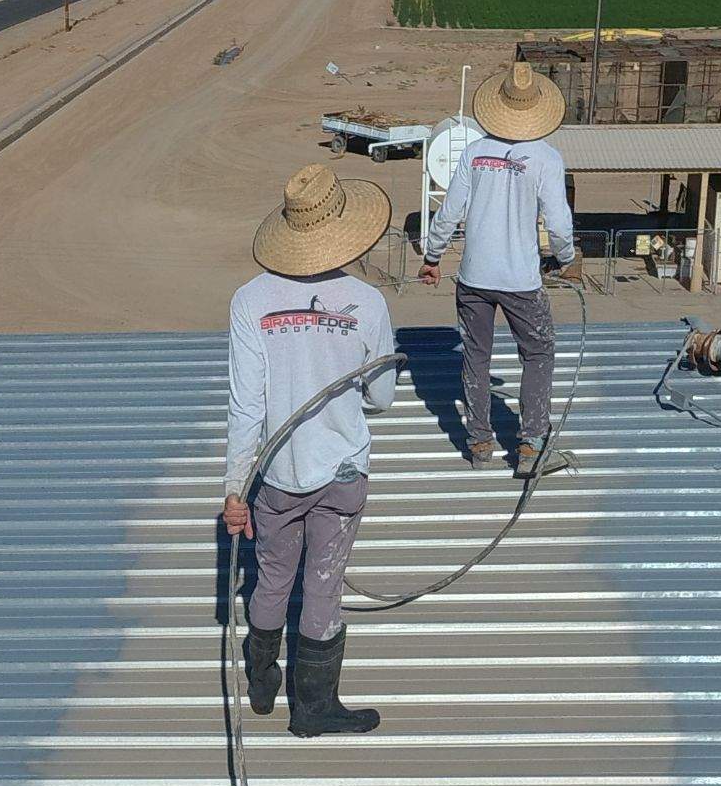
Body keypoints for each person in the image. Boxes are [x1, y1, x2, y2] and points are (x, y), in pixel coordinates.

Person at [223, 164, 397, 737]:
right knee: (322, 585)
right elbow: (382, 396)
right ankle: (314, 709)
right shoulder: (366, 301)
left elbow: (247, 405)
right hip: (341, 470)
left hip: (275, 475)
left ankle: (263, 686)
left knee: (272, 578)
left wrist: (234, 491)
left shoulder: (249, 301)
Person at [420, 62, 576, 477]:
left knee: (476, 356)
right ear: (537, 108)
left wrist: (432, 257)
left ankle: (480, 443)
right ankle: (531, 448)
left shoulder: (474, 152)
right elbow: (559, 222)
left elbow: (449, 212)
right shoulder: (545, 157)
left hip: (474, 277)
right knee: (538, 353)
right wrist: (566, 258)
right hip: (521, 281)